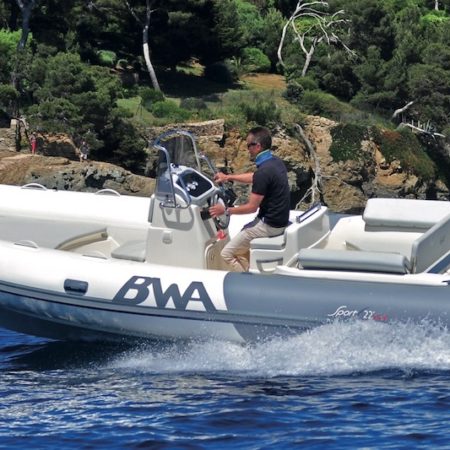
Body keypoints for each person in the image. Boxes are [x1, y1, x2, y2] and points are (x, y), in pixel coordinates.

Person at [209, 126, 290, 271]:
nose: (247, 149)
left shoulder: (263, 172)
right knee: (242, 241)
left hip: (269, 226)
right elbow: (254, 176)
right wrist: (228, 177)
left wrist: (225, 210)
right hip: (279, 221)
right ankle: (250, 271)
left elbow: (251, 207)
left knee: (227, 253)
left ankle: (247, 282)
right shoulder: (275, 162)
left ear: (258, 146)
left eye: (249, 145)